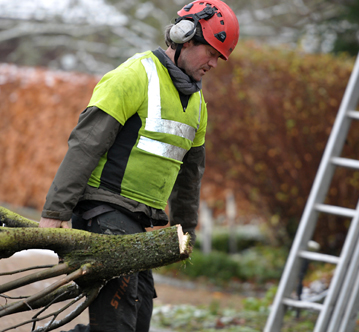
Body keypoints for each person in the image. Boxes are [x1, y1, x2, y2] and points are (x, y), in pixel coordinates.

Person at [39, 1, 239, 331]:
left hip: (137, 222)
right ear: (185, 37)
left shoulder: (197, 104)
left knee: (139, 318)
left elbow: (191, 175)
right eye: (212, 52)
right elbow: (86, 145)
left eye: (221, 57)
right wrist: (55, 212)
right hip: (104, 213)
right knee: (116, 324)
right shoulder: (133, 76)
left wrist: (186, 234)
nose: (215, 64)